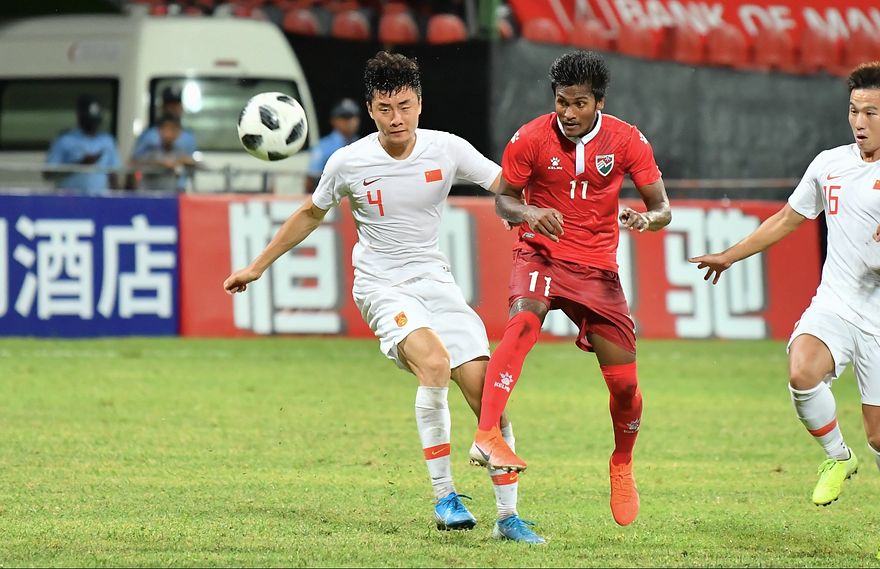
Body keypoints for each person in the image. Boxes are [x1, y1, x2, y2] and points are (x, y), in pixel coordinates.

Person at [224, 51, 545, 543]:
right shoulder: (348, 162)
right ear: (370, 110)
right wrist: (256, 266)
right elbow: (310, 214)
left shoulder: (447, 148)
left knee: (488, 396)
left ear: (420, 104)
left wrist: (525, 209)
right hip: (381, 284)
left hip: (436, 281)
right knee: (434, 363)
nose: (396, 118)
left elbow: (505, 184)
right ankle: (445, 497)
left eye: (405, 106)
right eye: (385, 108)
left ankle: (508, 518)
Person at [468, 50, 671, 528]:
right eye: (562, 102)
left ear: (599, 102)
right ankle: (486, 434)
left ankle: (622, 463)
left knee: (625, 387)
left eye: (580, 103)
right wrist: (529, 212)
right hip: (540, 253)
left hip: (597, 269)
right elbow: (504, 200)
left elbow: (662, 207)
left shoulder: (626, 140)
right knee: (522, 322)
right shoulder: (530, 138)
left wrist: (647, 219)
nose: (569, 112)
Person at [689, 61, 880, 508]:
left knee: (878, 437)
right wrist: (729, 255)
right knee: (802, 372)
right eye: (854, 110)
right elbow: (788, 218)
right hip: (836, 301)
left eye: (871, 113)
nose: (859, 122)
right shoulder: (830, 164)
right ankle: (838, 456)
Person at [45, 95, 120, 195]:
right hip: (69, 199)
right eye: (89, 121)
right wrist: (79, 165)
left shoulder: (107, 141)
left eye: (95, 122)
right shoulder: (65, 140)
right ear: (79, 117)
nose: (93, 126)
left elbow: (113, 175)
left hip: (99, 199)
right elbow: (48, 174)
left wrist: (117, 198)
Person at [131, 86, 197, 191]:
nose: (173, 109)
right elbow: (134, 161)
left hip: (177, 188)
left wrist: (185, 162)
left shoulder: (188, 136)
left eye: (176, 104)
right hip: (151, 189)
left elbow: (190, 162)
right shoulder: (149, 135)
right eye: (169, 105)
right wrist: (160, 163)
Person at [304, 97, 361, 194]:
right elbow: (311, 179)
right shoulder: (323, 146)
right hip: (330, 198)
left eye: (353, 116)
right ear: (333, 120)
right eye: (344, 117)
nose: (349, 121)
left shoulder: (362, 144)